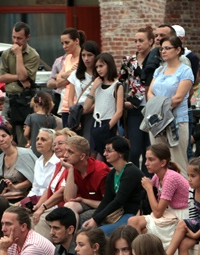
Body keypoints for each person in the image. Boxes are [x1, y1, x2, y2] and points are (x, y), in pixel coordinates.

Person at [127, 144, 189, 251]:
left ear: (163, 162)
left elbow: (157, 213)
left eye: (151, 160)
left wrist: (149, 188)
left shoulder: (171, 178)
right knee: (133, 221)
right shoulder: (157, 176)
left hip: (182, 215)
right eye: (146, 159)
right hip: (169, 213)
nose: (146, 163)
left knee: (144, 231)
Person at [146, 35, 194, 171]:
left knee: (177, 162)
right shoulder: (159, 70)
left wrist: (158, 107)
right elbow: (150, 93)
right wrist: (156, 110)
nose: (163, 51)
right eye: (162, 49)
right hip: (156, 121)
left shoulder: (185, 71)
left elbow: (178, 98)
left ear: (178, 50)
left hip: (176, 120)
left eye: (167, 48)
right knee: (157, 161)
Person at [83, 137, 145, 235]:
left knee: (97, 234)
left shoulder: (131, 172)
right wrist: (94, 218)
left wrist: (96, 219)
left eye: (109, 151)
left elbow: (119, 201)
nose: (104, 154)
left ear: (120, 153)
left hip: (131, 214)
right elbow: (106, 200)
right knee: (85, 228)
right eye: (105, 150)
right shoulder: (112, 173)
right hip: (117, 214)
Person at [122, 27, 154, 169]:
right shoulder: (129, 61)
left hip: (152, 107)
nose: (138, 44)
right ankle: (133, 176)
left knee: (150, 148)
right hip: (134, 108)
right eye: (136, 41)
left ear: (150, 41)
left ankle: (149, 178)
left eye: (141, 40)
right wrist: (124, 102)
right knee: (134, 149)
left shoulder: (156, 60)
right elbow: (121, 82)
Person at [0, 22, 41, 133]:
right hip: (9, 99)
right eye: (13, 37)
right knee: (5, 132)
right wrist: (19, 77)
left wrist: (18, 55)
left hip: (24, 100)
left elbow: (23, 77)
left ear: (28, 37)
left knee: (23, 135)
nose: (16, 41)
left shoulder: (33, 55)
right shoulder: (6, 53)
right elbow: (2, 78)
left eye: (19, 38)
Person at [62, 135, 110, 224]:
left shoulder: (100, 171)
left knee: (81, 218)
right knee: (68, 207)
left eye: (70, 152)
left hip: (103, 207)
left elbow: (108, 204)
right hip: (86, 204)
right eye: (65, 151)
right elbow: (69, 199)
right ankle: (71, 233)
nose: (65, 155)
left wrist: (83, 200)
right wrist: (70, 170)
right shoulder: (71, 168)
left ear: (82, 156)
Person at [83, 53, 124, 157]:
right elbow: (86, 107)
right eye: (97, 67)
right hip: (95, 123)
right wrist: (93, 88)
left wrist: (108, 127)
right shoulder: (96, 84)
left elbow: (119, 111)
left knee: (107, 156)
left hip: (108, 123)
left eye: (101, 66)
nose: (99, 69)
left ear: (109, 65)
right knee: (92, 156)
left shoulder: (117, 85)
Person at [50, 28, 85, 128]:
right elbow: (58, 80)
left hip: (78, 104)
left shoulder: (83, 57)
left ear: (76, 40)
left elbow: (78, 76)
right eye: (62, 43)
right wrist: (70, 73)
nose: (64, 46)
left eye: (67, 42)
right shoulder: (68, 58)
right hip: (65, 104)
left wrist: (65, 75)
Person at [0, 124, 38, 202]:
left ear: (11, 137)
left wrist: (15, 187)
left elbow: (35, 177)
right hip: (5, 199)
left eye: (4, 136)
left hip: (25, 197)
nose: (1, 139)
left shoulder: (25, 154)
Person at [66, 41, 100, 142]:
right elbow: (70, 98)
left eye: (89, 55)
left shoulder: (100, 75)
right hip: (77, 112)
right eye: (83, 55)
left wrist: (85, 111)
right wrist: (75, 113)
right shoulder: (75, 74)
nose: (86, 58)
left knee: (89, 141)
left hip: (94, 112)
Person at [22, 128, 60, 209]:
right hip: (36, 202)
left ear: (53, 144)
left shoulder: (58, 162)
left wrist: (38, 206)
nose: (39, 142)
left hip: (51, 204)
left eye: (43, 140)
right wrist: (26, 202)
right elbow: (35, 188)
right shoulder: (38, 162)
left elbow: (52, 191)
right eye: (37, 139)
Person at [23, 92, 59, 157]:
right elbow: (54, 134)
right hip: (48, 150)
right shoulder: (52, 118)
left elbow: (26, 133)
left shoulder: (31, 117)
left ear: (36, 105)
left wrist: (29, 140)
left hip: (35, 149)